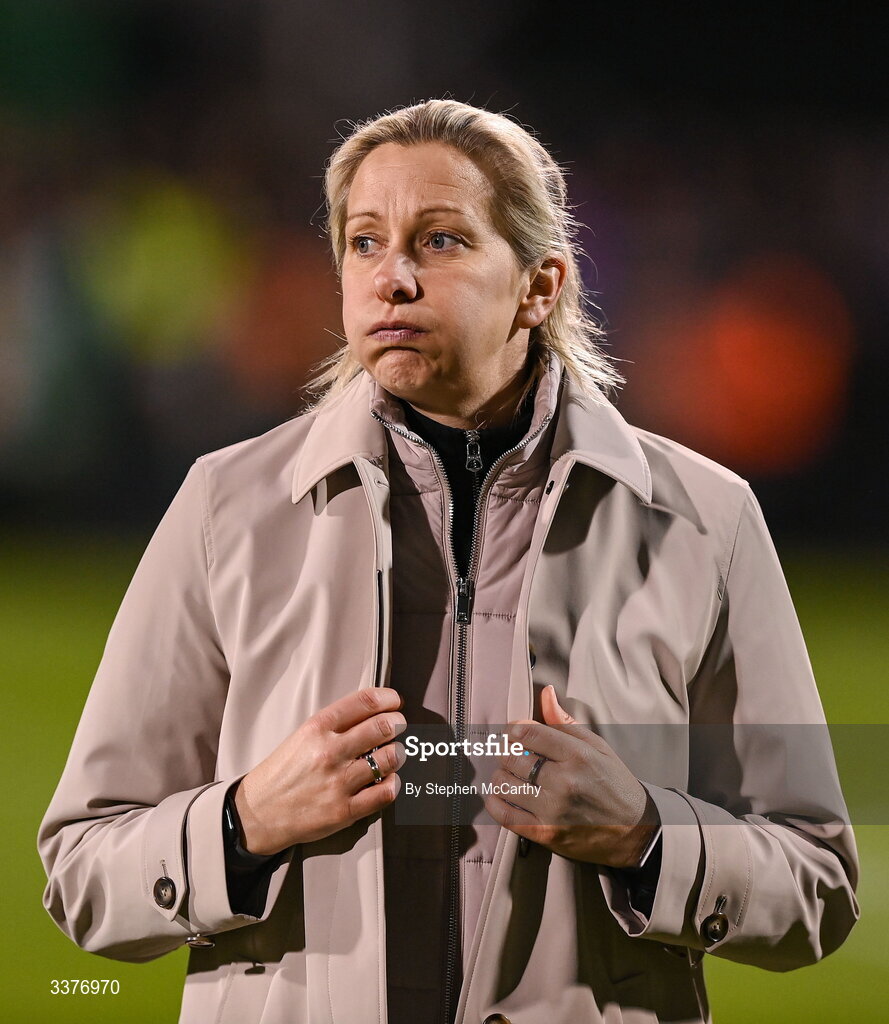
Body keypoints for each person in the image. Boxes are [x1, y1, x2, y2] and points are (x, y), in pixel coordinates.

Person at [38, 99, 859, 1024]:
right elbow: (82, 867)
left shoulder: (704, 519)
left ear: (538, 285)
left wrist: (643, 835)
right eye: (362, 242)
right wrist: (244, 821)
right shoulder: (229, 506)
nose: (390, 278)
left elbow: (817, 883)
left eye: (438, 241)